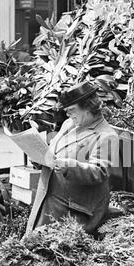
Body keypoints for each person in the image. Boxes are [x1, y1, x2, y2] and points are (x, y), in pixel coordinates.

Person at [26, 81, 119, 235]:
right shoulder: (70, 123)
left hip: (73, 210)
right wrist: (39, 159)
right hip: (48, 199)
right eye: (66, 110)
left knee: (49, 251)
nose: (68, 114)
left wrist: (69, 166)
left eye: (72, 110)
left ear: (89, 107)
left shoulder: (107, 136)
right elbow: (54, 150)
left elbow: (100, 171)